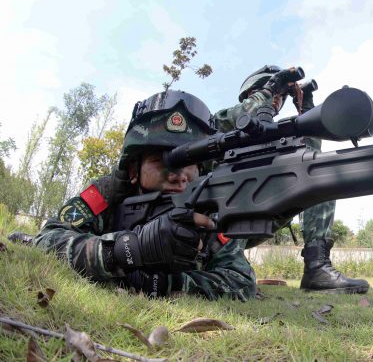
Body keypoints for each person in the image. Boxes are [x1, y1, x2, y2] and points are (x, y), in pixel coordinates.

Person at [33, 90, 258, 300]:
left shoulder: (209, 212)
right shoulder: (108, 193)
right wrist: (128, 249)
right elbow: (45, 242)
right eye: (162, 161)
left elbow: (241, 281)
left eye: (191, 163)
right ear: (133, 170)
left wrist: (167, 284)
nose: (179, 176)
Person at [215, 65, 369, 294]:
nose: (277, 101)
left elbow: (309, 156)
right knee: (236, 282)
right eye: (274, 94)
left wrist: (305, 107)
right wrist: (269, 90)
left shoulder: (277, 134)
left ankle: (317, 268)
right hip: (216, 223)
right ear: (251, 94)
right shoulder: (227, 120)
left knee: (318, 176)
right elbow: (234, 117)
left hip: (256, 217)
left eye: (282, 96)